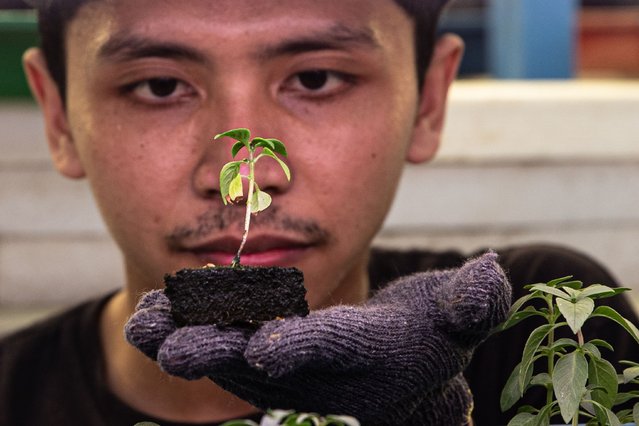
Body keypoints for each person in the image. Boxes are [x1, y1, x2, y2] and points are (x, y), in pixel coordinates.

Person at [0, 0, 637, 425]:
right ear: (58, 116)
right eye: (159, 86)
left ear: (430, 101)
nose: (250, 181)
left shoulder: (540, 327)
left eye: (316, 80)